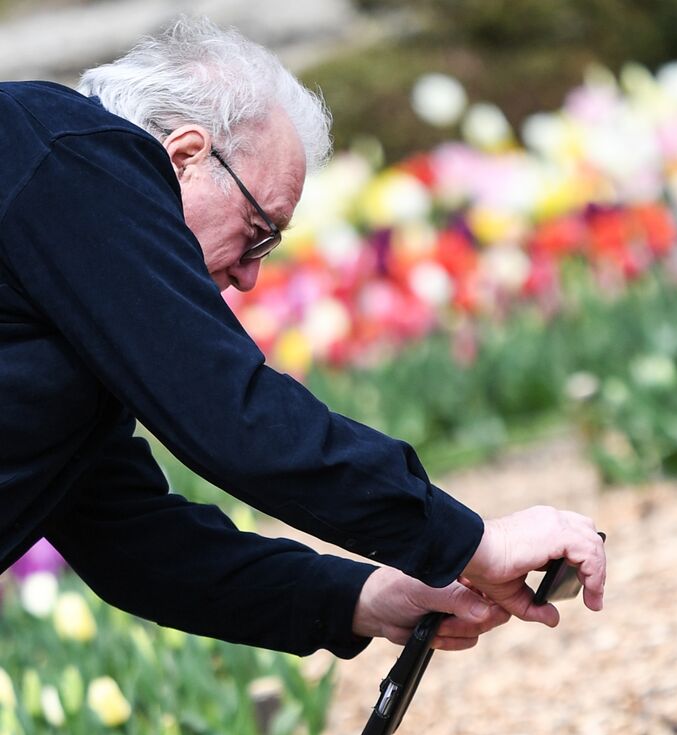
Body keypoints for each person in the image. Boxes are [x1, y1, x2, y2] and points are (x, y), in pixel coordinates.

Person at [0, 16, 607, 663]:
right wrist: (475, 543)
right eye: (259, 231)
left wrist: (359, 597)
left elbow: (131, 539)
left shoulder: (68, 246)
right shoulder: (71, 156)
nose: (249, 275)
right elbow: (232, 412)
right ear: (185, 156)